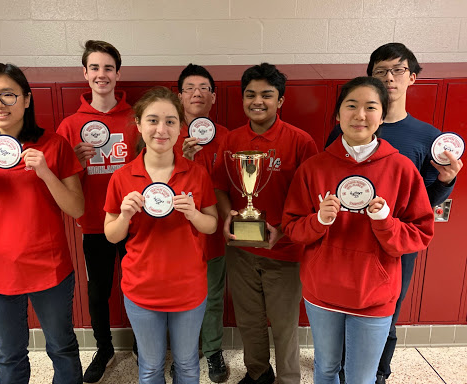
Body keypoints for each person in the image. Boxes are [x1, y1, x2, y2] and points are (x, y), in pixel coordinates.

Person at [282, 76, 435, 384]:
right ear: (338, 115)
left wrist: (385, 222)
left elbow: (420, 233)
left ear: (382, 116)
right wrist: (318, 221)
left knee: (360, 377)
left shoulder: (401, 168)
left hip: (374, 295)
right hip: (322, 292)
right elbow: (292, 228)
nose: (360, 115)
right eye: (351, 106)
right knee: (325, 369)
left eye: (370, 107)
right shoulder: (314, 168)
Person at [325, 43, 463, 384]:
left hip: (394, 245)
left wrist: (447, 182)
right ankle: (343, 371)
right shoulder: (344, 130)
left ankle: (379, 374)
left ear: (412, 78)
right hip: (348, 242)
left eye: (397, 70)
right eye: (380, 71)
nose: (389, 78)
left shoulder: (428, 138)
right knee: (344, 312)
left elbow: (423, 206)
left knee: (386, 314)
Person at [0, 63, 84, 384]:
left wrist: (45, 173)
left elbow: (77, 208)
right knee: (9, 355)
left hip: (49, 268)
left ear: (27, 99)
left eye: (8, 95)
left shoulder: (53, 146)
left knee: (62, 348)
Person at [103, 86, 218, 384]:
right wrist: (125, 216)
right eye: (152, 120)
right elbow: (112, 235)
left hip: (188, 288)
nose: (161, 129)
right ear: (139, 125)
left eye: (170, 121)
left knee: (188, 365)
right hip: (142, 289)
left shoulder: (196, 173)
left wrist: (193, 213)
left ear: (180, 128)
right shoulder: (122, 176)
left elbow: (212, 225)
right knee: (151, 368)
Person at [213, 63, 318, 384]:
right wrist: (230, 213)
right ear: (243, 99)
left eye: (267, 95)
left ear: (280, 101)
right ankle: (258, 373)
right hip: (241, 250)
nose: (257, 101)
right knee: (249, 321)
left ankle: (288, 379)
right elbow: (218, 185)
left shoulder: (300, 142)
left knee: (285, 325)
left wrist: (282, 230)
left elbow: (311, 199)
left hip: (285, 253)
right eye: (250, 95)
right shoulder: (231, 141)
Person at [57, 39, 140, 384]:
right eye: (95, 67)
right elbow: (60, 179)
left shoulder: (137, 118)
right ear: (85, 74)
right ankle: (104, 348)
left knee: (137, 285)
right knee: (98, 290)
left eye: (108, 67)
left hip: (135, 222)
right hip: (93, 223)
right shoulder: (70, 124)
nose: (101, 74)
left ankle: (141, 345)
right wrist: (74, 162)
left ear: (118, 74)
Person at [175, 63, 230, 383]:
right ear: (179, 96)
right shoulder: (166, 132)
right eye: (190, 88)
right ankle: (184, 355)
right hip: (174, 236)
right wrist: (182, 160)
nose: (197, 94)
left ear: (213, 97)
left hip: (211, 233)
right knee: (180, 298)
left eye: (204, 89)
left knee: (212, 296)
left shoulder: (225, 137)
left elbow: (229, 185)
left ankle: (212, 352)